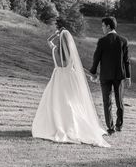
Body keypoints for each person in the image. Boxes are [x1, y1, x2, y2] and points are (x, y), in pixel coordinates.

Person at [32, 18, 110, 147]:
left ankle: (56, 125)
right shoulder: (71, 54)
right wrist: (92, 74)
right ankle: (72, 125)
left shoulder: (55, 49)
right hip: (69, 79)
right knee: (71, 103)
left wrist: (57, 33)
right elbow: (80, 68)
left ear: (60, 40)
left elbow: (48, 41)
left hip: (57, 79)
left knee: (56, 102)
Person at [89, 16, 131, 135]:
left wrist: (93, 73)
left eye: (103, 26)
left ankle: (110, 128)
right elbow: (127, 61)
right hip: (119, 76)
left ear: (108, 26)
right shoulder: (123, 40)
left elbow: (96, 58)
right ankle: (119, 125)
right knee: (119, 101)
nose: (102, 28)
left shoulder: (102, 41)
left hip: (105, 76)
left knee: (106, 102)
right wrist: (128, 77)